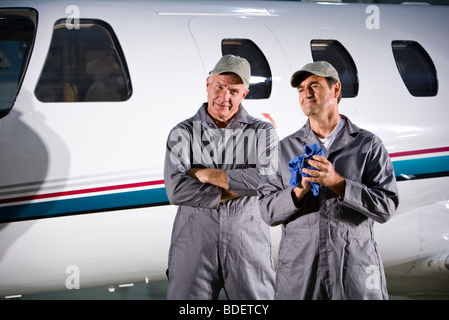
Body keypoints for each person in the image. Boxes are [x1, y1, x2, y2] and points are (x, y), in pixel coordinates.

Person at [258, 61, 399, 300]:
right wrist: (298, 191)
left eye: (314, 86)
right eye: (301, 89)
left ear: (336, 90)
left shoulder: (367, 145)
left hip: (354, 272)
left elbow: (386, 206)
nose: (306, 94)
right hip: (301, 275)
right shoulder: (283, 149)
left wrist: (338, 183)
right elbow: (267, 211)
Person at [164, 54, 276, 300]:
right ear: (208, 84)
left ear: (244, 94)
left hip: (248, 244)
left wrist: (206, 174)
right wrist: (240, 185)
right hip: (194, 245)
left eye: (234, 91)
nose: (224, 97)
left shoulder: (262, 132)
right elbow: (176, 191)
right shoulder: (182, 133)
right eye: (219, 86)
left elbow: (267, 180)